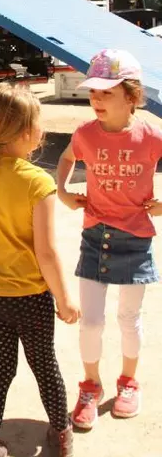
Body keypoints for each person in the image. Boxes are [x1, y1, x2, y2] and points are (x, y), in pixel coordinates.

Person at [0, 83, 79, 457]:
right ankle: (61, 434)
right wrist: (64, 299)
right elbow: (46, 253)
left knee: (1, 366)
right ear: (25, 133)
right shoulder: (38, 183)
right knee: (45, 364)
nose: (42, 132)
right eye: (39, 124)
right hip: (29, 297)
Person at [56, 49, 162, 429]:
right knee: (91, 323)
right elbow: (67, 159)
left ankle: (128, 382)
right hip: (94, 236)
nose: (96, 100)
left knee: (128, 318)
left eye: (107, 93)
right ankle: (90, 386)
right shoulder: (85, 133)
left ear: (131, 96)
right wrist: (64, 191)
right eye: (93, 92)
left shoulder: (151, 135)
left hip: (136, 238)